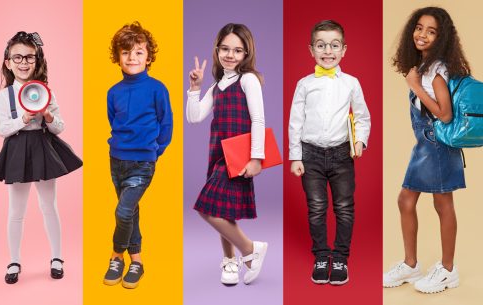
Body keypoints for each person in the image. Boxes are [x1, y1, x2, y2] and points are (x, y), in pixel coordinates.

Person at [383, 7, 469, 294]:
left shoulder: (436, 71)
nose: (422, 35)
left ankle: (447, 270)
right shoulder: (424, 66)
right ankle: (411, 264)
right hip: (425, 145)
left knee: (442, 204)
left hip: (438, 145)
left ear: (441, 38)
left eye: (431, 31)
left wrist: (417, 87)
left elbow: (444, 115)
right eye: (419, 28)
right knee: (406, 200)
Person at [0, 31, 82, 284]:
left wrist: (48, 116)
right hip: (18, 148)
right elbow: (2, 128)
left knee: (48, 205)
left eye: (29, 57)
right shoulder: (4, 96)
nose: (23, 63)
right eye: (17, 57)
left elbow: (59, 126)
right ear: (8, 62)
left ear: (37, 60)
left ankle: (56, 257)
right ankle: (14, 260)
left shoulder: (46, 92)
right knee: (16, 211)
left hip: (42, 146)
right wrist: (23, 119)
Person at [288, 20, 371, 285]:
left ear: (344, 50)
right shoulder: (304, 84)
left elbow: (362, 117)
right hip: (310, 155)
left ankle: (341, 257)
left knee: (344, 207)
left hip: (341, 155)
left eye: (334, 45)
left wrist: (360, 141)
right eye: (321, 45)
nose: (328, 50)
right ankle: (322, 255)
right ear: (311, 49)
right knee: (316, 208)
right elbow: (295, 122)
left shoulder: (351, 83)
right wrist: (295, 156)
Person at [187, 23, 268, 285]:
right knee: (223, 209)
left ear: (246, 54)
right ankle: (230, 262)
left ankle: (249, 250)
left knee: (207, 208)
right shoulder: (217, 85)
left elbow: (258, 119)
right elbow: (195, 117)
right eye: (225, 49)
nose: (230, 55)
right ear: (217, 50)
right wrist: (195, 88)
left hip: (239, 156)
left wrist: (257, 158)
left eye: (237, 50)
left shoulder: (248, 79)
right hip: (218, 155)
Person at [102, 21, 173, 289]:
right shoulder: (113, 92)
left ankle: (115, 256)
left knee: (123, 211)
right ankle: (138, 262)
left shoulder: (157, 89)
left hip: (143, 162)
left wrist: (155, 151)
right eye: (126, 52)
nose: (132, 57)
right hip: (116, 160)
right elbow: (114, 121)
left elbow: (166, 125)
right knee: (131, 213)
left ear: (149, 57)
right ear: (118, 57)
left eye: (139, 52)